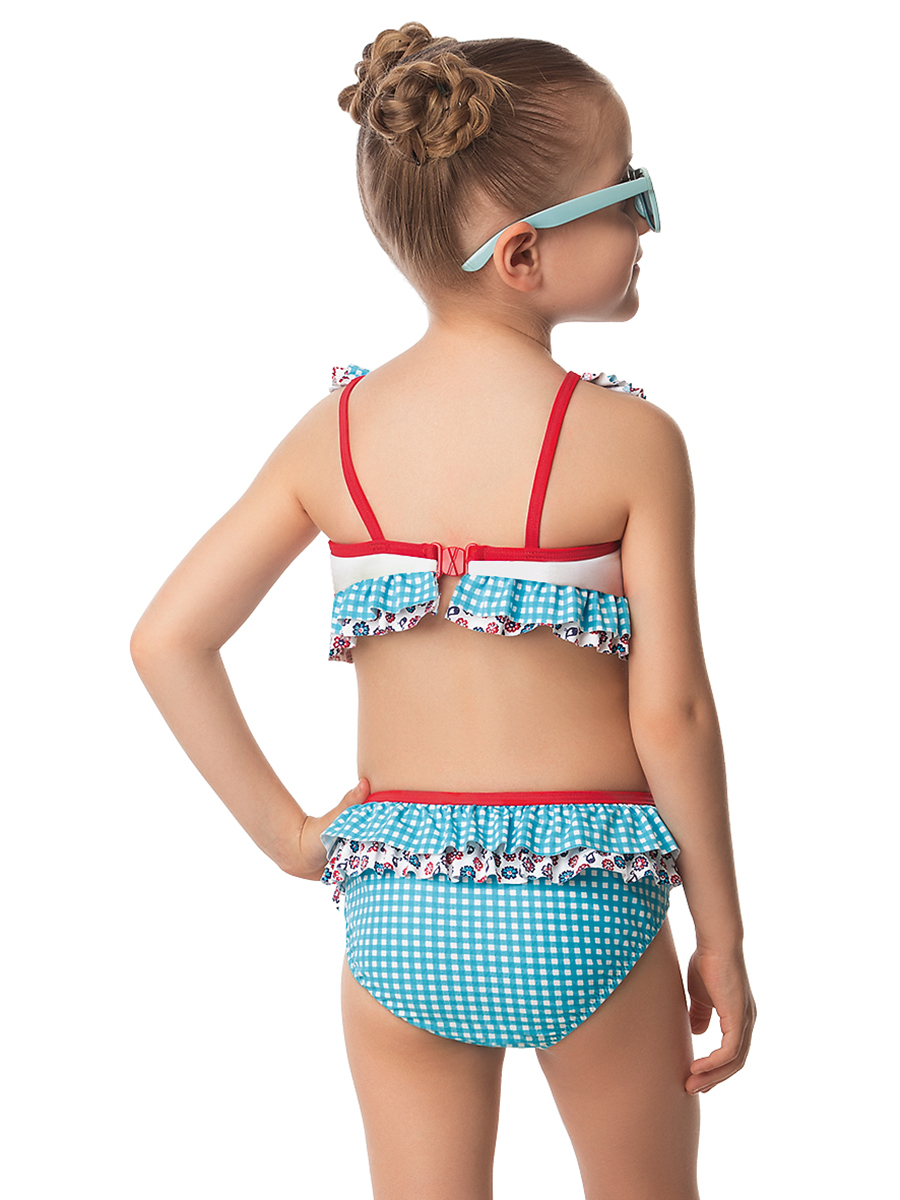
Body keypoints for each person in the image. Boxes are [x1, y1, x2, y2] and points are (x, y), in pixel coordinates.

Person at [131, 22, 755, 1200]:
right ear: (523, 255)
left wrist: (290, 838)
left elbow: (168, 639)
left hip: (397, 909)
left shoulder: (335, 437)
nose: (646, 226)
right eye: (630, 193)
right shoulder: (630, 442)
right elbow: (670, 715)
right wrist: (719, 933)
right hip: (583, 909)